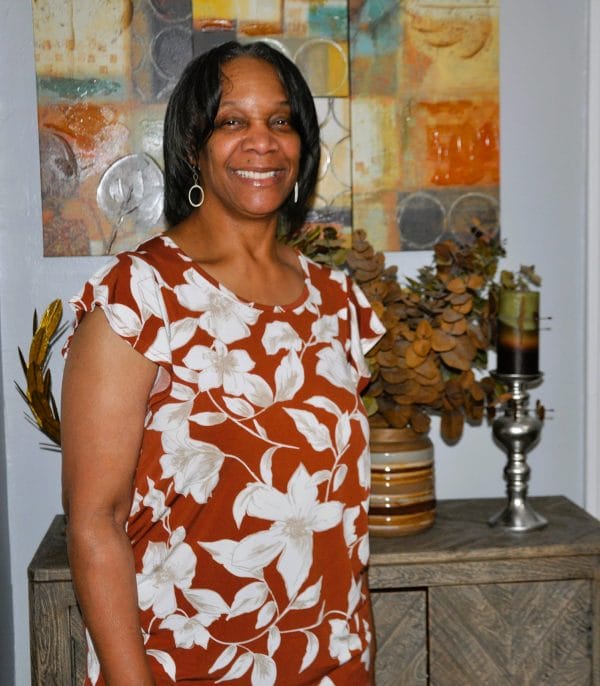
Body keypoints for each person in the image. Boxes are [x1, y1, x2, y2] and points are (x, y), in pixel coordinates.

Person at [61, 40, 385, 686]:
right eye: (232, 120)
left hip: (332, 665)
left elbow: (341, 523)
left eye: (281, 120)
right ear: (193, 146)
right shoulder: (139, 297)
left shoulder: (336, 301)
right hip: (184, 666)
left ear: (302, 144)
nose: (262, 141)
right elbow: (96, 520)